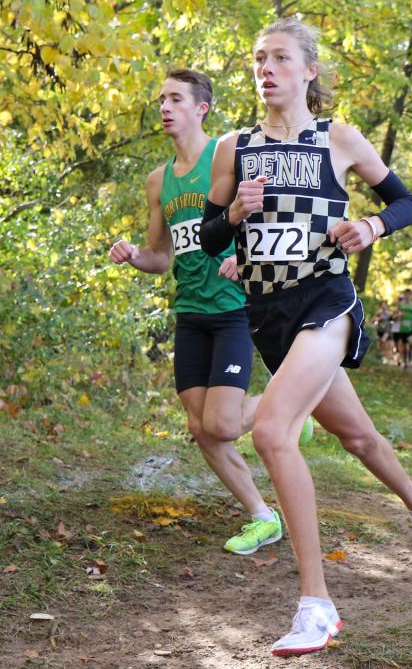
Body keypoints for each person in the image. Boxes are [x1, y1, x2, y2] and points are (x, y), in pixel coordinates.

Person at [198, 18, 412, 655]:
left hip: (328, 302)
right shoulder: (233, 147)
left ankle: (316, 605)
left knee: (273, 429)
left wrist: (371, 227)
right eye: (259, 59)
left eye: (280, 58)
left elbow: (405, 203)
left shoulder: (339, 139)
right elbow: (208, 240)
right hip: (269, 316)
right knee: (357, 435)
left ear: (309, 71)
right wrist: (232, 215)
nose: (266, 68)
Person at [109, 68, 295, 558]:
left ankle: (297, 397)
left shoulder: (228, 152)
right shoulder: (159, 181)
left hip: (235, 308)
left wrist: (246, 256)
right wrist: (133, 256)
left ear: (201, 108)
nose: (165, 107)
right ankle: (262, 516)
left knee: (223, 425)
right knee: (200, 428)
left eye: (175, 99)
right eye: (162, 99)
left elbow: (278, 214)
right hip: (190, 314)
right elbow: (160, 257)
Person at [394, 289, 412, 368]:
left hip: (411, 327)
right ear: (404, 295)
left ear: (411, 295)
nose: (407, 296)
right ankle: (405, 361)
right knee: (404, 346)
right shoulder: (400, 305)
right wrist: (398, 316)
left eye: (409, 294)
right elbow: (394, 316)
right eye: (406, 294)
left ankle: (409, 359)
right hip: (402, 328)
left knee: (411, 343)